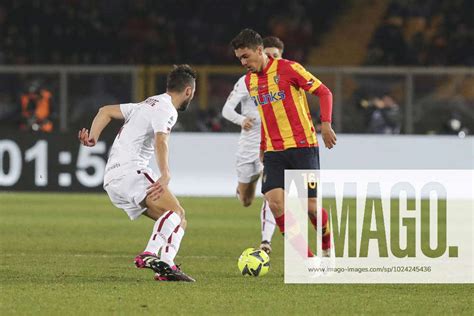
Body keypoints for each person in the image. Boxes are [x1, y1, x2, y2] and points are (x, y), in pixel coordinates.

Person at [78, 65, 196, 282]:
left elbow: (105, 111)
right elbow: (161, 140)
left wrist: (93, 137)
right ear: (188, 91)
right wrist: (165, 173)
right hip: (131, 171)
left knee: (178, 220)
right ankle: (149, 253)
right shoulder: (166, 109)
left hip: (113, 180)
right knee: (176, 214)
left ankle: (167, 267)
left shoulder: (147, 103)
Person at [231, 29, 337, 257]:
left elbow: (324, 92)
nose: (243, 62)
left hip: (303, 147)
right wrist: (262, 146)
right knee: (275, 203)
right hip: (274, 151)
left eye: (246, 56)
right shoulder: (250, 81)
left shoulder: (289, 68)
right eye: (239, 58)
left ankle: (327, 246)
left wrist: (326, 124)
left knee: (310, 208)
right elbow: (265, 116)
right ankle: (307, 258)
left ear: (259, 50)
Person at [221, 36, 286, 255]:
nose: (270, 58)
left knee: (272, 193)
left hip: (275, 145)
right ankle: (246, 186)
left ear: (280, 56)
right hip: (249, 145)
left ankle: (265, 242)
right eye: (267, 54)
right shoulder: (246, 81)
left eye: (275, 55)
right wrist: (242, 120)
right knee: (246, 200)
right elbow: (226, 110)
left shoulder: (285, 77)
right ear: (260, 52)